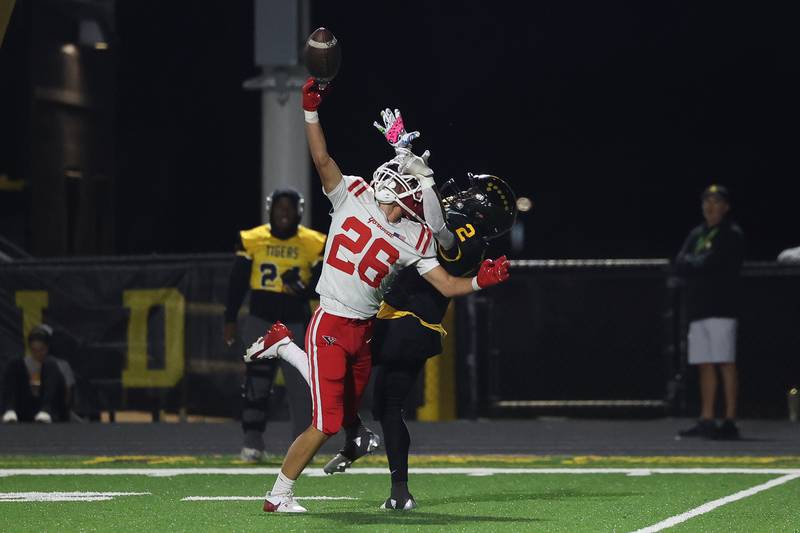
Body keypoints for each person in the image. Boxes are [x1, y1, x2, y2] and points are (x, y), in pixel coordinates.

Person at [243, 81, 511, 514]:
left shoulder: (417, 235)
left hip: (364, 329)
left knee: (348, 405)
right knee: (329, 419)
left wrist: (480, 282)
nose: (392, 177)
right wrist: (310, 111)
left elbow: (445, 281)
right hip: (331, 320)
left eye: (404, 179)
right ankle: (278, 494)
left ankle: (286, 349)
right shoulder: (354, 193)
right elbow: (322, 158)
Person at [323, 171, 518, 510]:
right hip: (417, 330)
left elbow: (442, 236)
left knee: (333, 366)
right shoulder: (469, 238)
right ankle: (400, 492)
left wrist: (423, 179)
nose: (460, 191)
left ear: (480, 207)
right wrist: (403, 155)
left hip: (400, 322)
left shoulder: (463, 236)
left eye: (471, 190)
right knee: (387, 405)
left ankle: (354, 433)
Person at [223, 189, 326, 462]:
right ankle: (252, 442)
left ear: (298, 211)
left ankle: (303, 446)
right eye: (279, 207)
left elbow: (324, 282)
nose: (283, 212)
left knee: (302, 386)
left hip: (296, 323)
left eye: (288, 207)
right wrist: (230, 318)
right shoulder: (253, 239)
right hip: (261, 320)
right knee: (257, 383)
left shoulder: (313, 242)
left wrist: (304, 288)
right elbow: (237, 282)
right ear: (270, 209)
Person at [675, 184, 745, 440]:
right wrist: (697, 263)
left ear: (725, 207)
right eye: (707, 201)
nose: (710, 206)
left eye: (716, 201)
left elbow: (713, 262)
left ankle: (729, 419)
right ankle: (707, 418)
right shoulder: (698, 233)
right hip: (698, 308)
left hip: (722, 307)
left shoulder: (731, 234)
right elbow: (681, 262)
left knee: (725, 361)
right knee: (704, 363)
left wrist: (697, 263)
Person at [2, 324, 75, 423]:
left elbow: (67, 394)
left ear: (48, 347)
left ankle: (46, 410)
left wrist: (64, 411)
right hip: (28, 406)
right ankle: (10, 410)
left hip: (53, 408)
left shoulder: (59, 364)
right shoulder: (22, 364)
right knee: (13, 363)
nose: (38, 354)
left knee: (50, 364)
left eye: (41, 350)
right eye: (34, 350)